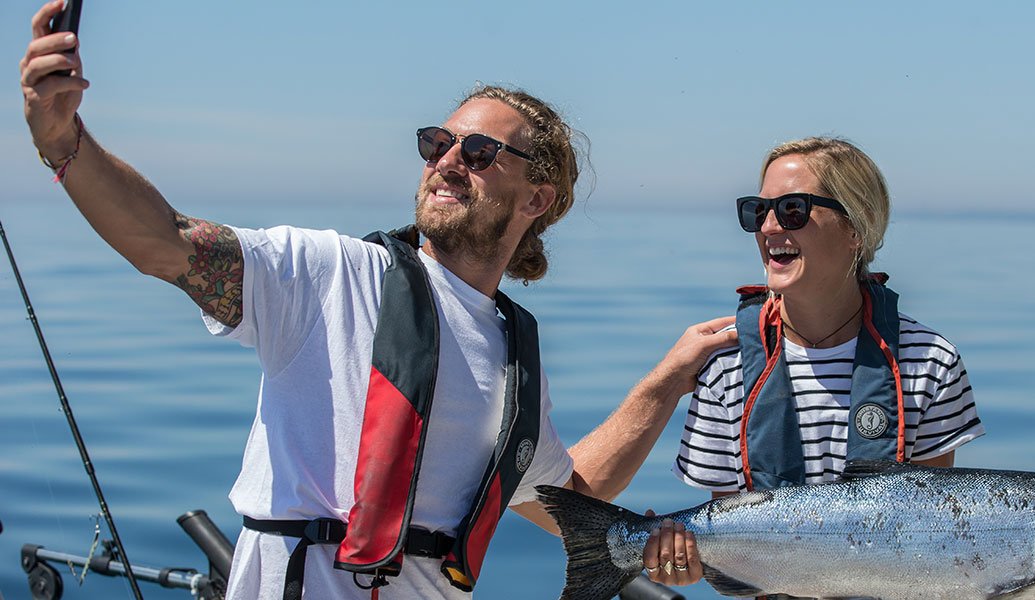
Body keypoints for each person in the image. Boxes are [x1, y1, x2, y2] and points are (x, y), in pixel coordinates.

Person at [18, 2, 736, 598]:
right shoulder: (329, 274)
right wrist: (64, 143)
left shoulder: (515, 355)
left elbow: (560, 500)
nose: (448, 161)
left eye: (479, 153)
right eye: (437, 143)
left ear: (538, 197)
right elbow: (164, 243)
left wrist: (669, 379)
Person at [641, 137, 985, 591]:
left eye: (792, 211)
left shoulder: (929, 360)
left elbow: (929, 529)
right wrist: (685, 562)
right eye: (756, 211)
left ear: (855, 229)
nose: (767, 227)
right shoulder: (724, 366)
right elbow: (732, 539)